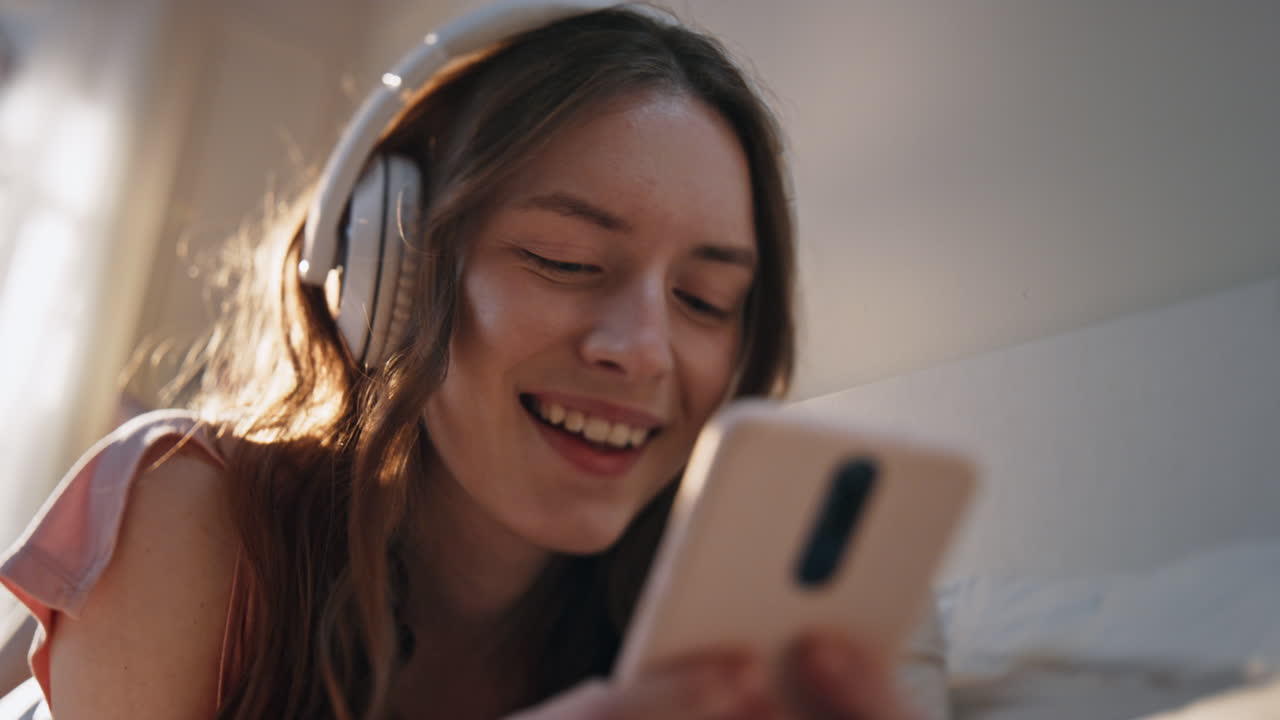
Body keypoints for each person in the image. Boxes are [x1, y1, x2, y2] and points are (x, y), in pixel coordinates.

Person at [0, 2, 933, 718]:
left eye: (705, 301)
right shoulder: (195, 510)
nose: (645, 349)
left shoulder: (696, 633)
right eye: (564, 261)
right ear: (392, 271)